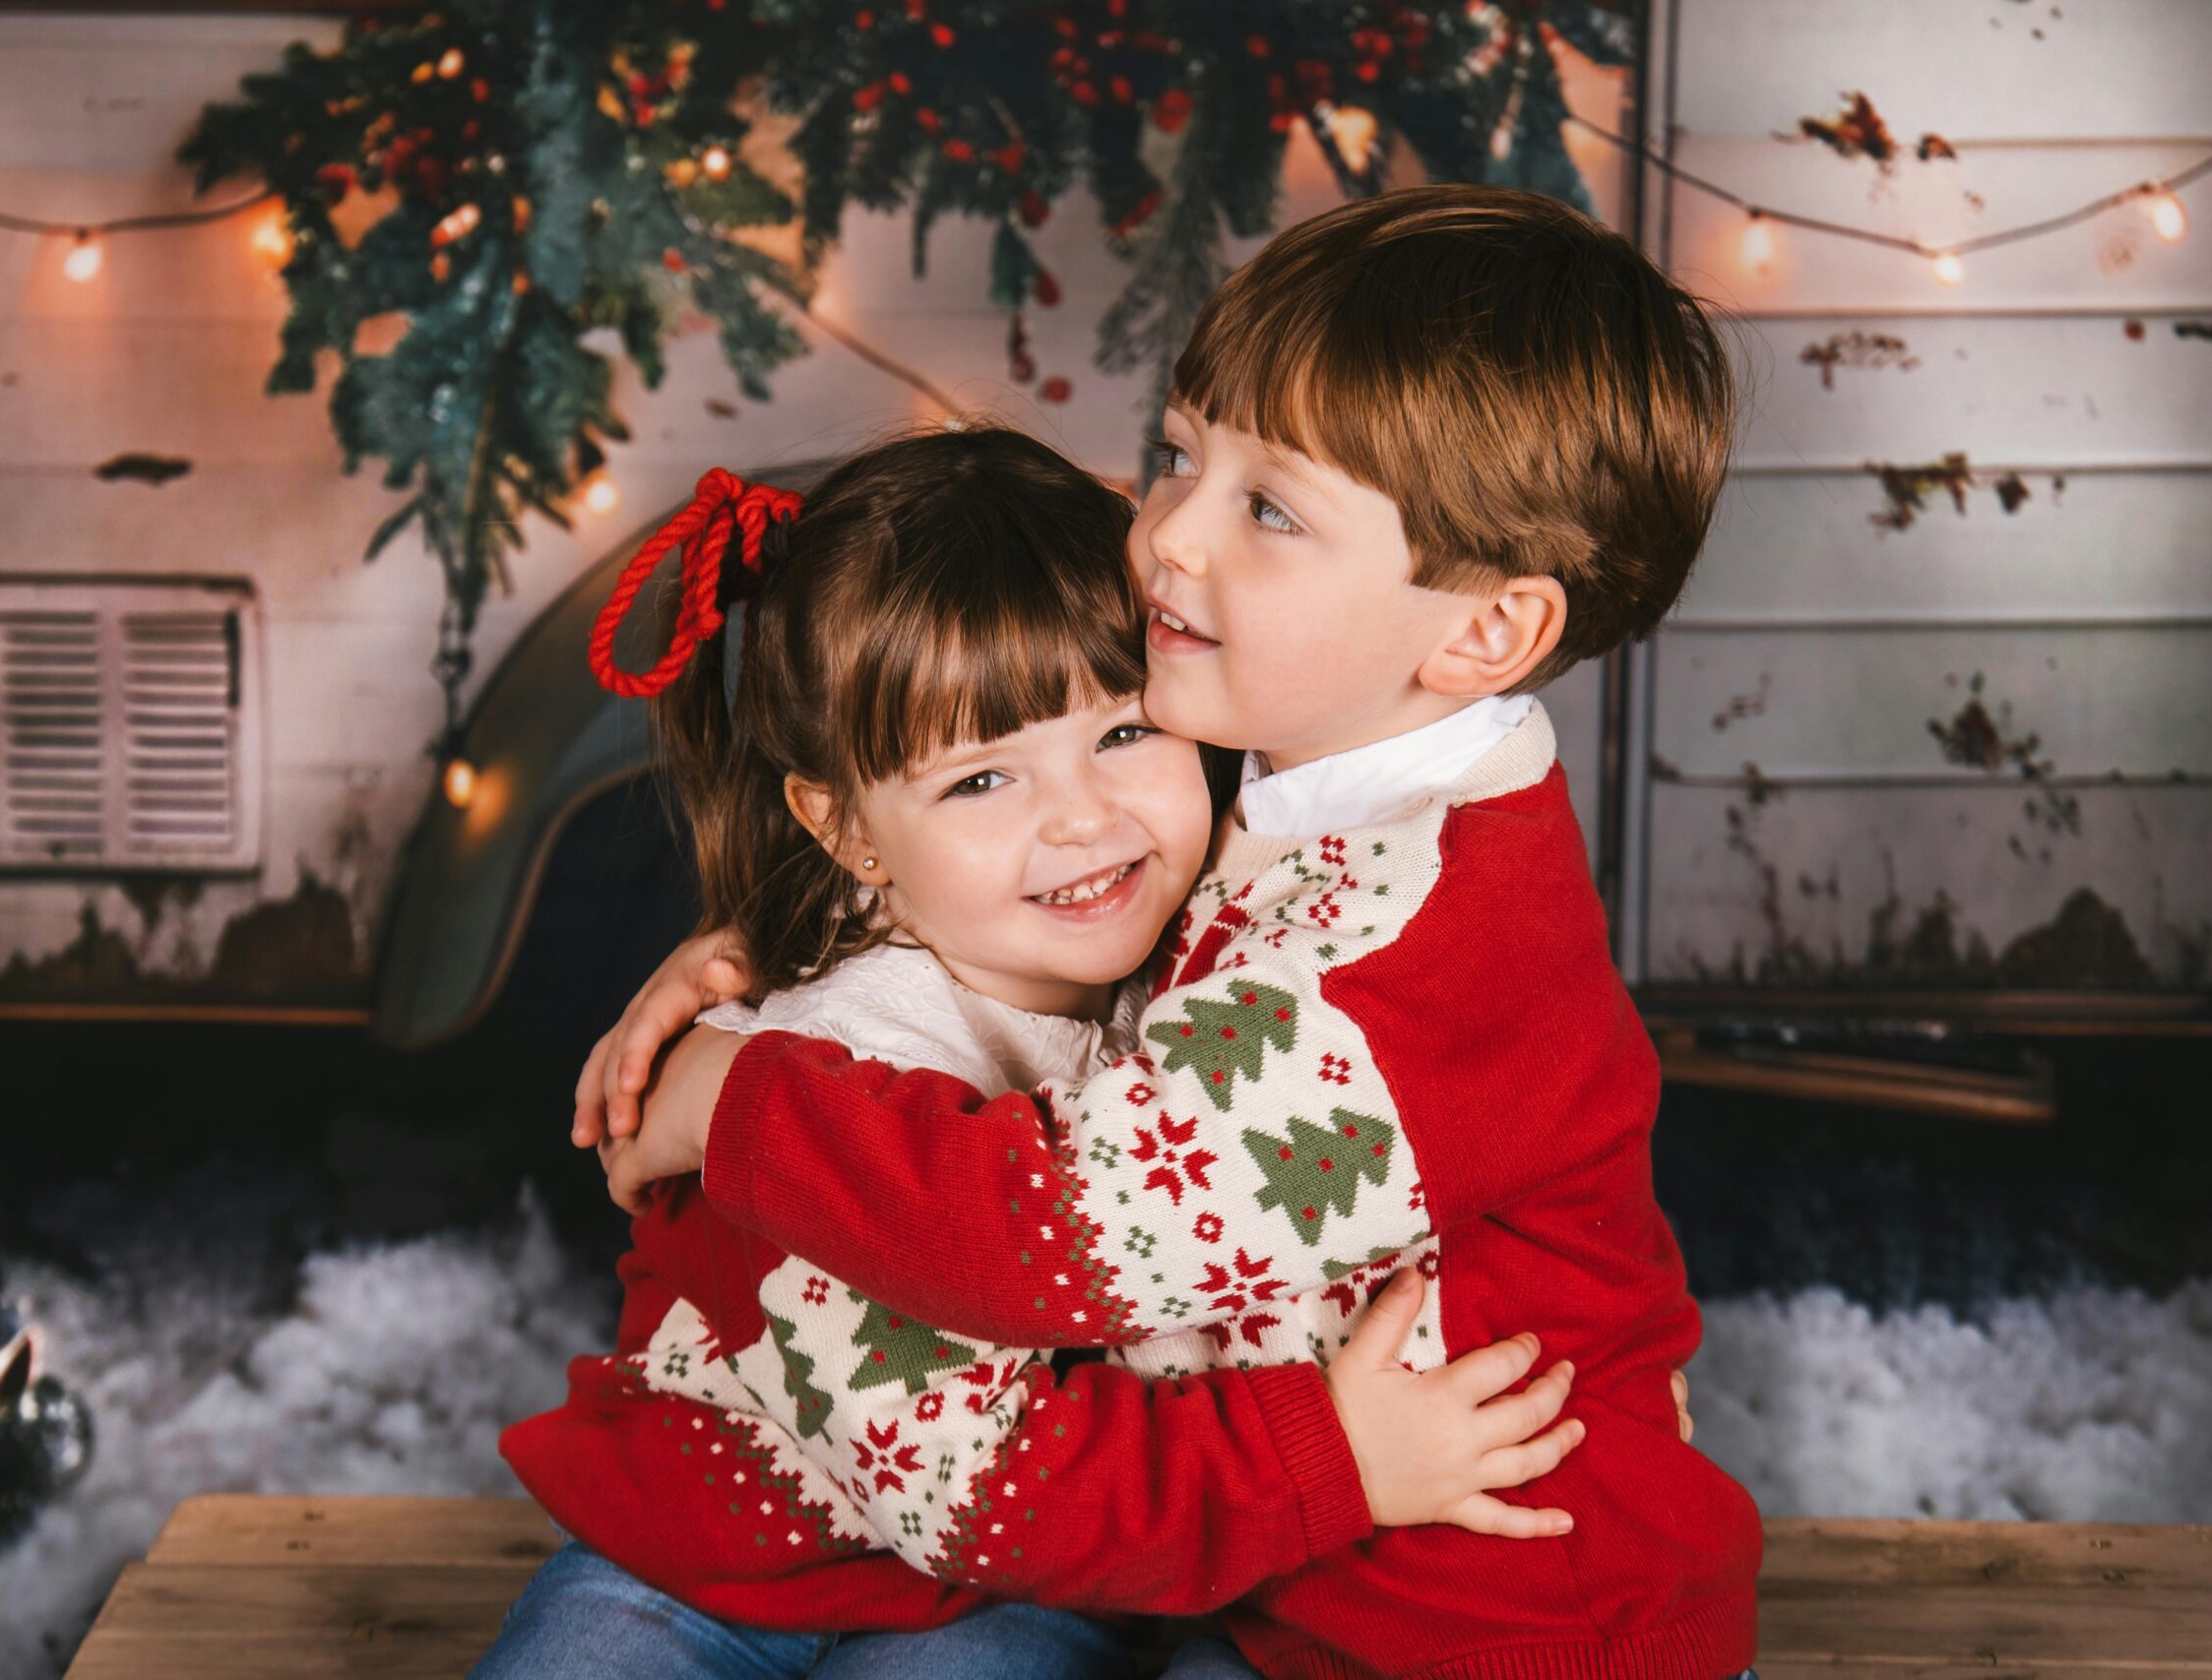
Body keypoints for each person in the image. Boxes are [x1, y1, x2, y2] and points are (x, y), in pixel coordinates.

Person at [578, 185, 1762, 1680]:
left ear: (1478, 632)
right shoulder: (1307, 781)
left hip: (1502, 1628)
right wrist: (757, 960)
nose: (1165, 540)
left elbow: (1038, 1232)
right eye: (1183, 456)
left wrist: (729, 1097)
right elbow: (1025, 891)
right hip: (1289, 1581)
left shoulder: (1403, 969)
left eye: (1268, 509)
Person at [474, 426, 1587, 1680]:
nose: (1082, 819)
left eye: (1122, 735)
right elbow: (967, 1481)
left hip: (1034, 1581)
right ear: (846, 831)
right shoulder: (810, 1092)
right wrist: (1332, 1461)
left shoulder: (1217, 928)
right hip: (731, 1560)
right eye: (979, 783)